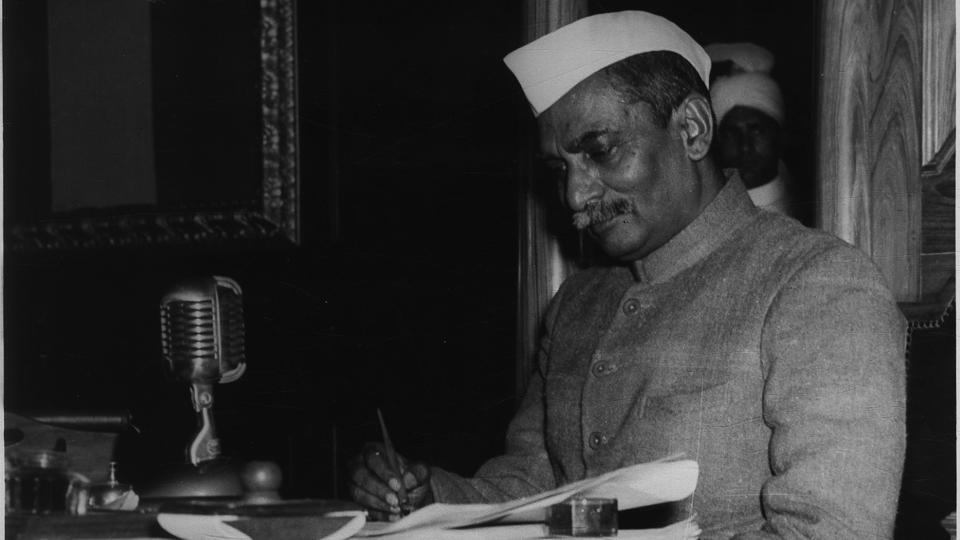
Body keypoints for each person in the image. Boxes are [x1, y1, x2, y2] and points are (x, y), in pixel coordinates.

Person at [348, 11, 906, 539]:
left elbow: (831, 530)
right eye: (559, 169)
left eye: (601, 151)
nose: (575, 194)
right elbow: (529, 489)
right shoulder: (578, 303)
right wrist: (426, 497)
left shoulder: (817, 283)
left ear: (691, 129)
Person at [706, 42, 796, 217]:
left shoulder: (801, 214)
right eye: (731, 133)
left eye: (757, 131)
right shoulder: (709, 214)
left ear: (780, 137)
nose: (745, 146)